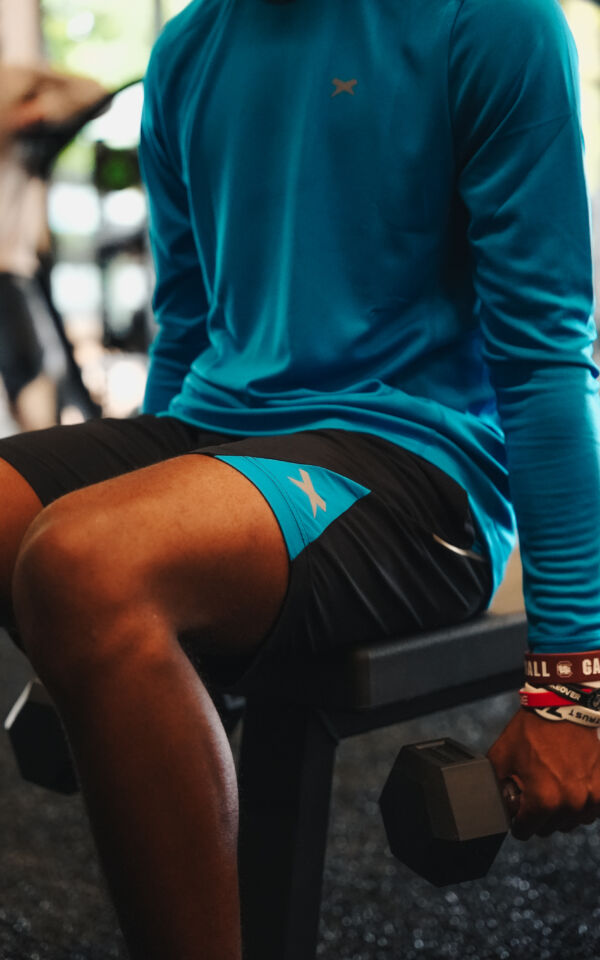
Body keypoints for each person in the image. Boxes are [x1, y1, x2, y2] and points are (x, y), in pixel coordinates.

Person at [0, 0, 598, 956]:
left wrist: (574, 685)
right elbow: (190, 328)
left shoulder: (492, 23)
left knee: (84, 562)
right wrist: (130, 607)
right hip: (217, 427)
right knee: (74, 561)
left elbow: (546, 359)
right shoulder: (191, 47)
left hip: (418, 466)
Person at [0, 62, 107, 430]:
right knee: (30, 373)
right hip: (5, 273)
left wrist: (28, 90)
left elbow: (92, 92)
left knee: (35, 371)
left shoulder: (16, 129)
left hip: (10, 270)